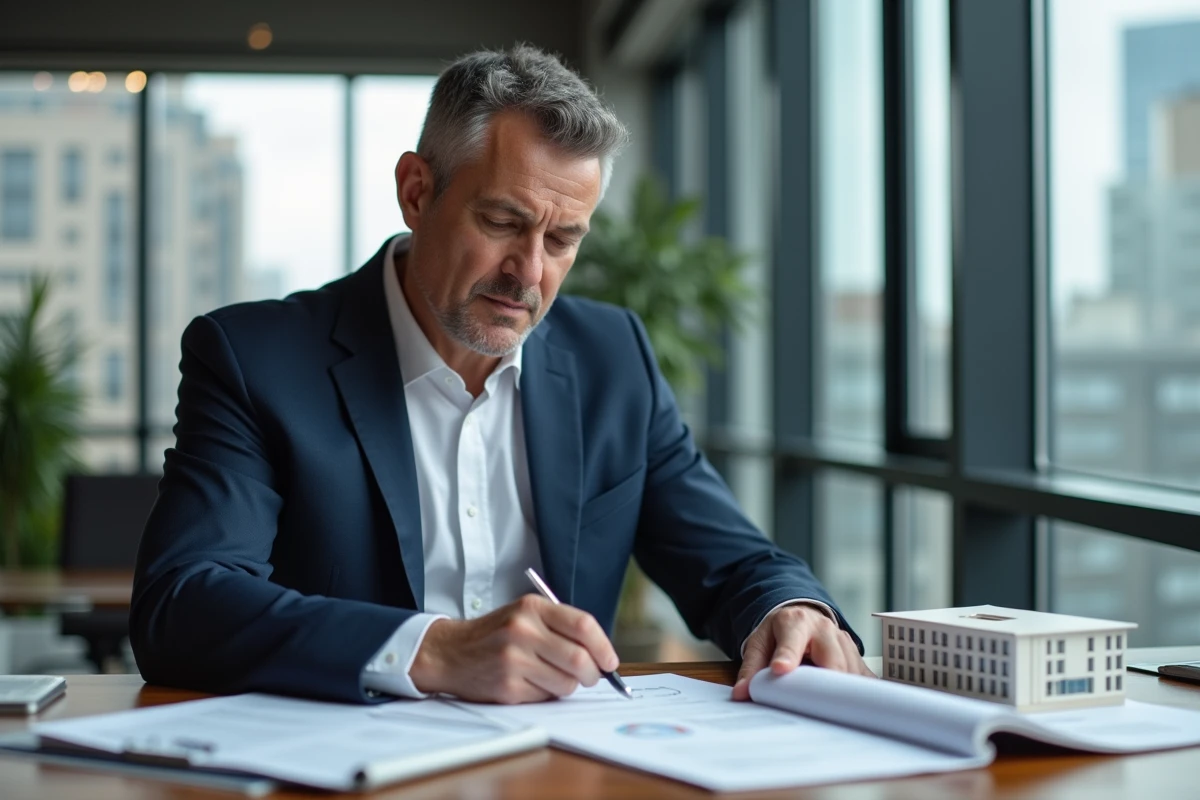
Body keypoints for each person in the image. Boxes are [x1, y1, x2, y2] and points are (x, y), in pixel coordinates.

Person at [130, 44, 871, 706]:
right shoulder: (255, 357)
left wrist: (788, 610)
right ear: (417, 192)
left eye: (563, 238)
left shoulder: (614, 358)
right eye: (503, 222)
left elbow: (732, 559)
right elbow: (182, 604)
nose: (530, 272)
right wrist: (435, 649)